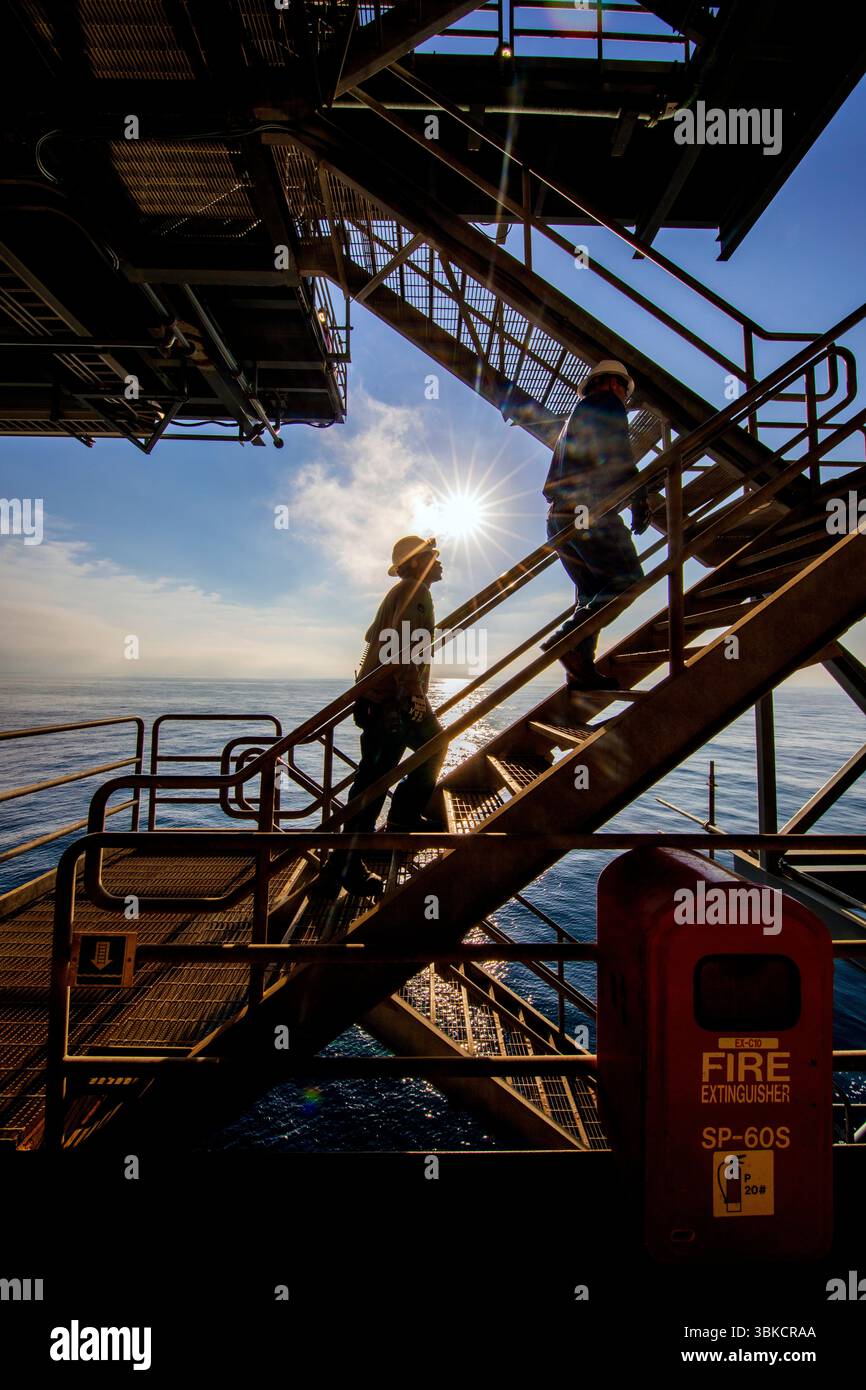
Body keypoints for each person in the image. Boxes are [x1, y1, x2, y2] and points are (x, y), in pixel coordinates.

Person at [324, 535, 447, 896]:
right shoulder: (414, 590)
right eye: (430, 556)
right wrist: (412, 696)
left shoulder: (402, 592)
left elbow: (380, 640)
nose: (438, 562)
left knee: (372, 780)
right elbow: (402, 646)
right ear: (413, 564)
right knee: (379, 780)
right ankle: (391, 828)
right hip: (391, 702)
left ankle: (341, 867)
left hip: (381, 699)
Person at [539, 359, 651, 690]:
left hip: (559, 518)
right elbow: (618, 455)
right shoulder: (606, 405)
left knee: (591, 594)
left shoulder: (575, 417)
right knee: (628, 581)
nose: (625, 400)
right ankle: (568, 638)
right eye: (625, 392)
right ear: (616, 384)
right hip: (586, 509)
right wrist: (640, 496)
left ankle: (580, 671)